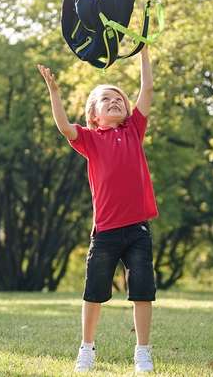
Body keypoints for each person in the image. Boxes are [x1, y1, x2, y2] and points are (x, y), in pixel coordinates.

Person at [36, 46, 158, 373]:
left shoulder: (134, 130)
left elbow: (146, 89)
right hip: (105, 232)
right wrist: (55, 92)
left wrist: (143, 53)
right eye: (106, 99)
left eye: (119, 98)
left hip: (137, 230)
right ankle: (86, 348)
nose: (115, 100)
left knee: (143, 290)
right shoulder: (90, 139)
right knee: (94, 293)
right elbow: (63, 126)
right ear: (94, 115)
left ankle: (142, 352)